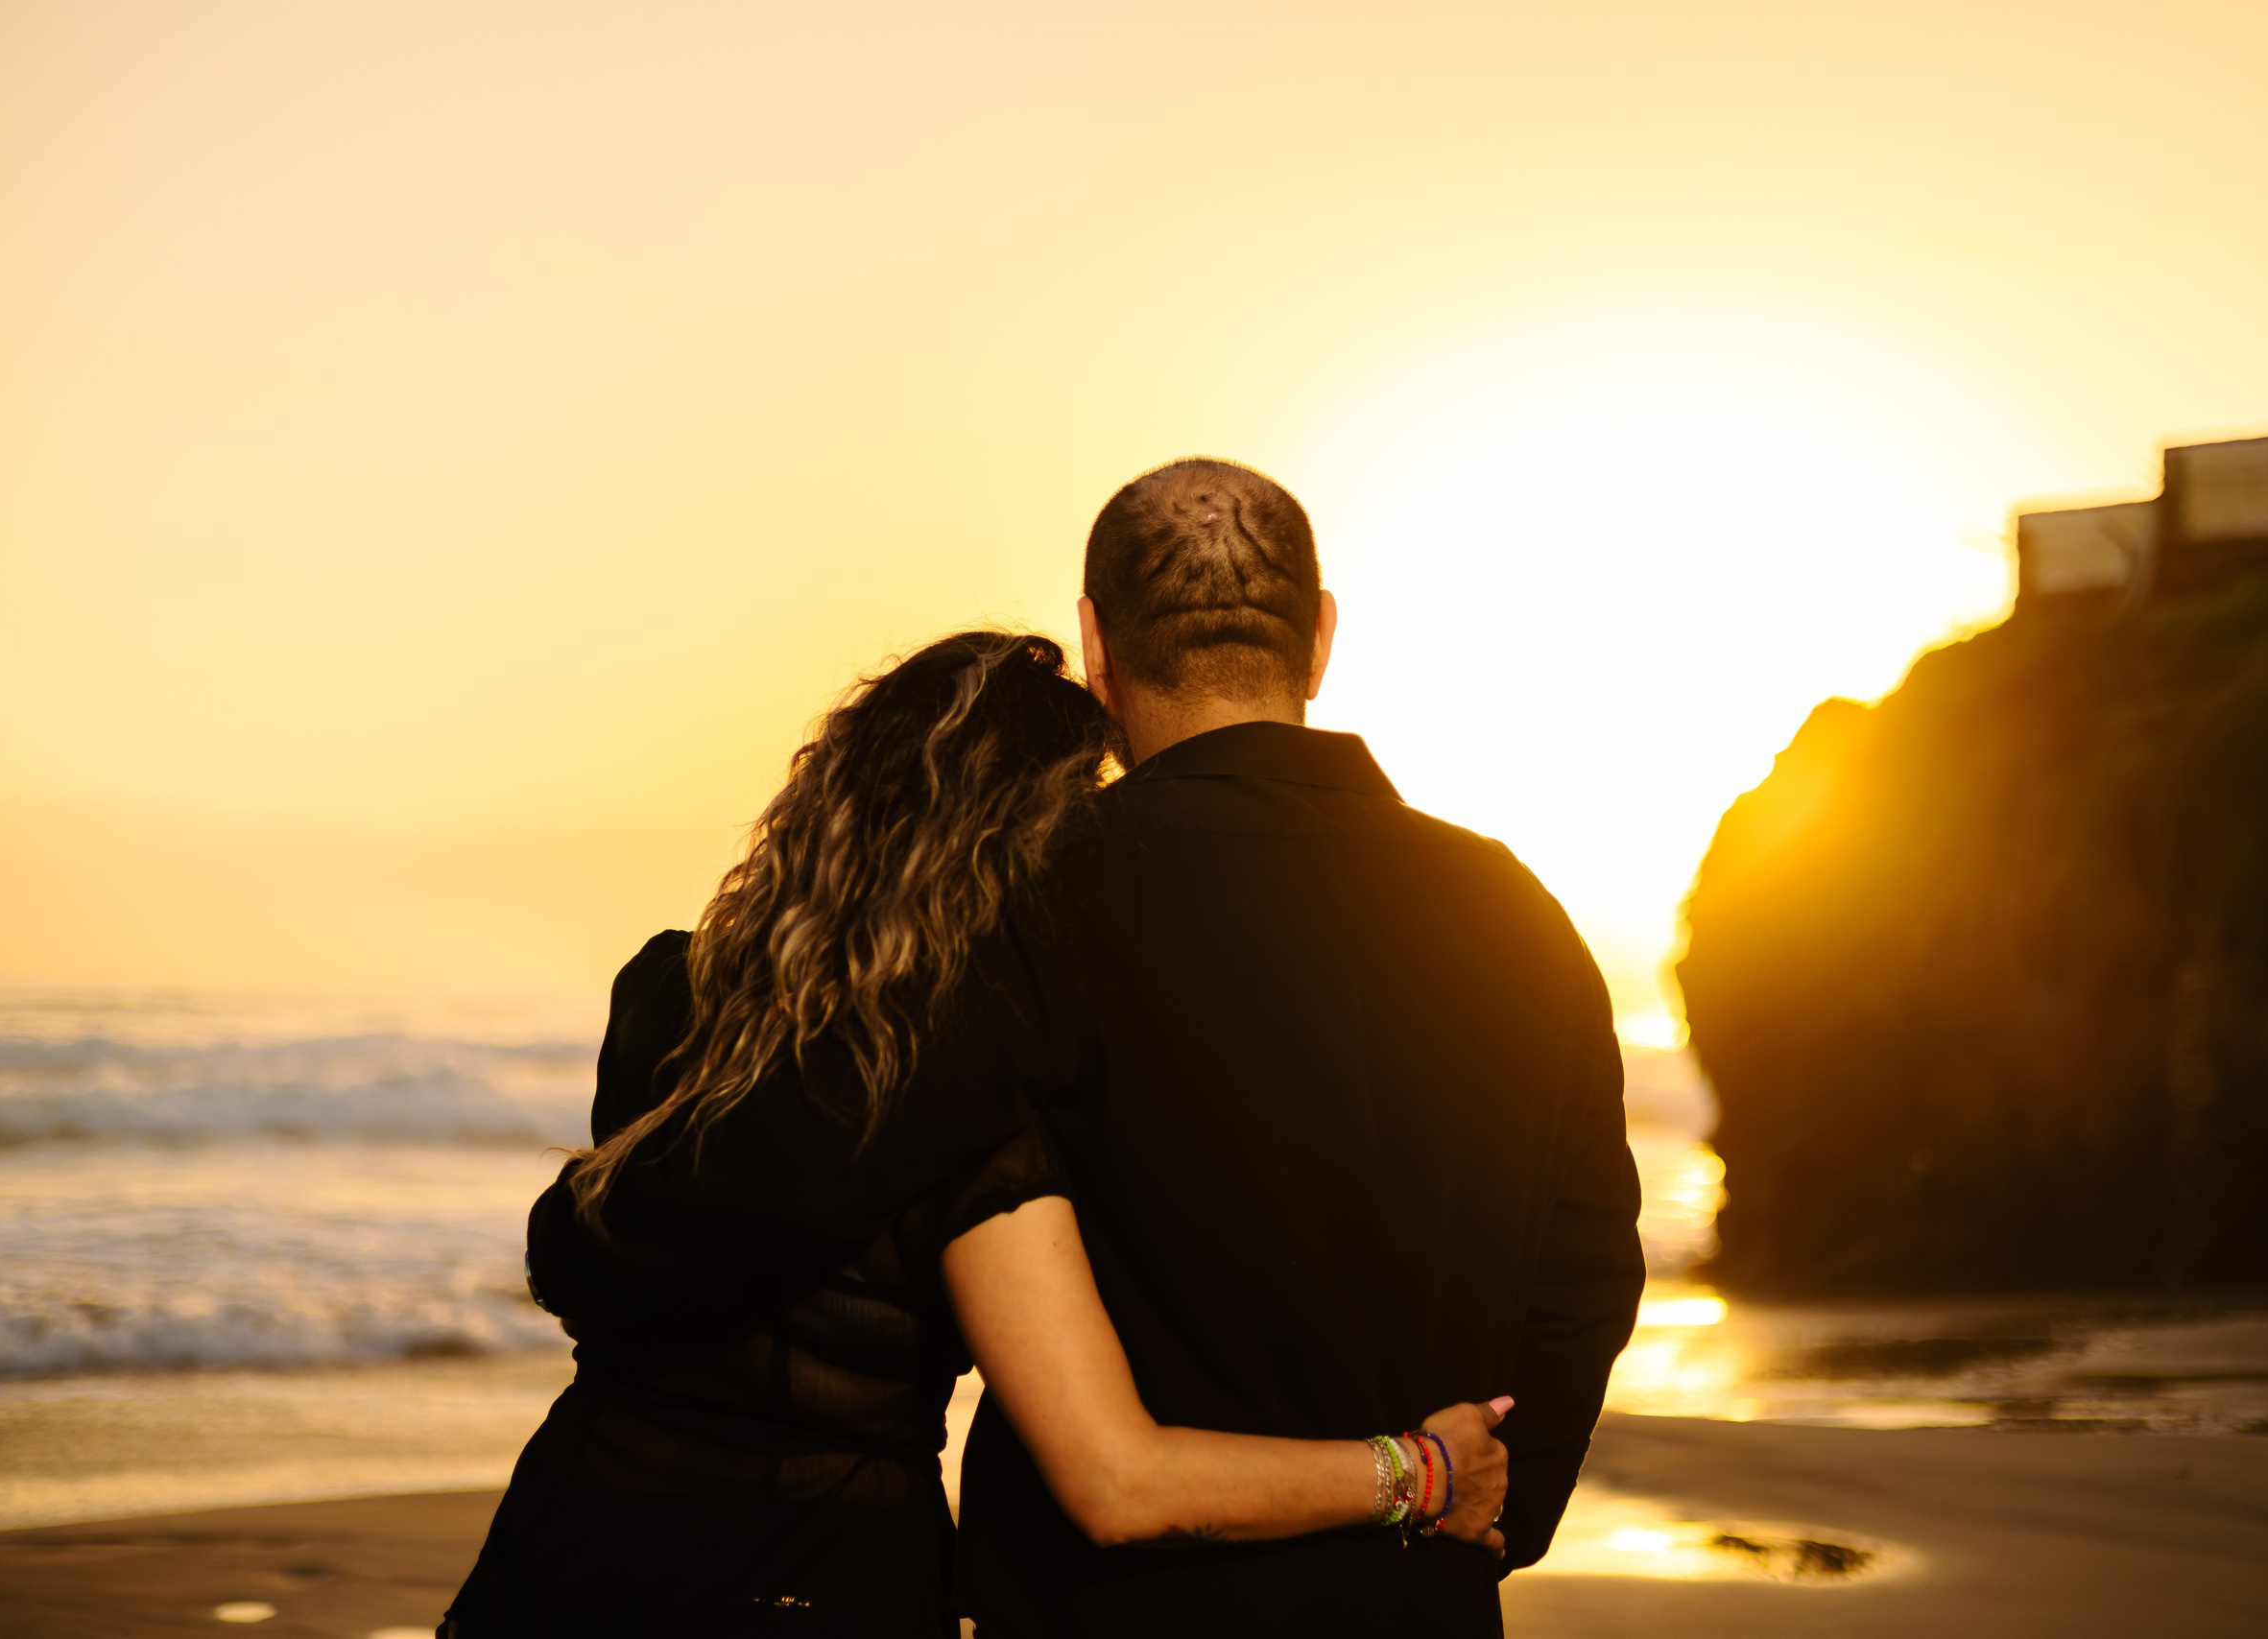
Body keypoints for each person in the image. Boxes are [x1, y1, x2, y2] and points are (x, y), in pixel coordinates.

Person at [439, 631, 1513, 1638]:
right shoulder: (972, 1126)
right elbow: (1119, 1484)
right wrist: (1414, 1470)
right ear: (1026, 857)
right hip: (809, 1586)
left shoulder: (667, 995)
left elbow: (693, 1253)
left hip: (552, 1563)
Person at [954, 462, 1647, 1637]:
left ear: (1095, 647)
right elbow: (1586, 1267)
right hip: (1414, 1599)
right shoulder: (1514, 912)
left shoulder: (1025, 903)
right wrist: (1484, 1509)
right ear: (1318, 638)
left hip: (1108, 1611)